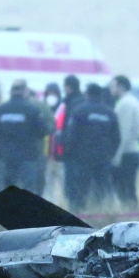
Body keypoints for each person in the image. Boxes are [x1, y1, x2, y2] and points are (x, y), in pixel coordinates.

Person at [63, 83, 121, 210]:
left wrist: (70, 153)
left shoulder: (79, 110)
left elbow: (71, 135)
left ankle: (80, 213)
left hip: (82, 158)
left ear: (87, 94)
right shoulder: (110, 113)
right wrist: (110, 154)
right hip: (103, 158)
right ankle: (99, 213)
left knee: (81, 189)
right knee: (101, 189)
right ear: (101, 95)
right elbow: (116, 138)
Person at [0, 80, 49, 193]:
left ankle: (8, 210)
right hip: (27, 157)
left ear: (11, 92)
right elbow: (43, 130)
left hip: (7, 156)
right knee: (28, 190)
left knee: (7, 190)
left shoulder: (1, 110)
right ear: (25, 92)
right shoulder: (32, 110)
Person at [110, 75, 139, 210]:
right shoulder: (132, 101)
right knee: (128, 189)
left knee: (125, 191)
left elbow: (123, 133)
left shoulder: (126, 104)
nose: (111, 90)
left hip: (126, 153)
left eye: (113, 86)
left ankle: (131, 216)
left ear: (121, 87)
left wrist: (116, 158)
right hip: (131, 152)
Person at [56, 75, 84, 203]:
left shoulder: (70, 103)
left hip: (71, 150)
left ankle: (74, 207)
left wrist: (63, 149)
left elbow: (67, 128)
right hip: (82, 150)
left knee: (72, 183)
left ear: (68, 87)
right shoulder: (82, 101)